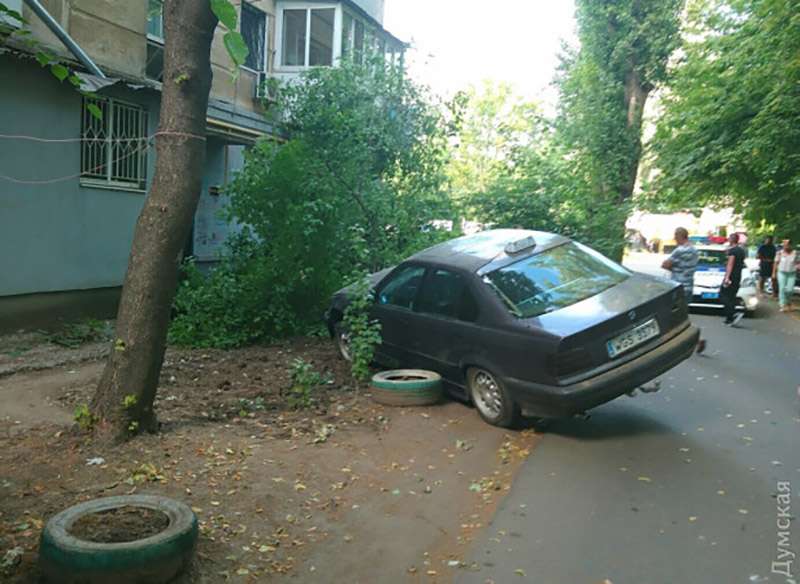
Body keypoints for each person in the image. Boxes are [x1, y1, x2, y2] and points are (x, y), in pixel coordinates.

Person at [662, 227, 706, 353]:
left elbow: (665, 264)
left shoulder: (679, 251)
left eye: (675, 236)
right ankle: (694, 340)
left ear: (679, 236)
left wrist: (675, 269)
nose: (674, 239)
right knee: (683, 314)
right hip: (689, 286)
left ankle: (694, 339)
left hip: (677, 287)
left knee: (671, 315)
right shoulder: (694, 250)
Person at [721, 232, 746, 326]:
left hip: (731, 276)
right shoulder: (741, 250)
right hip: (738, 275)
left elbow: (730, 264)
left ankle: (733, 313)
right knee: (731, 296)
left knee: (723, 294)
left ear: (731, 239)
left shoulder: (733, 251)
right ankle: (729, 318)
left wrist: (727, 277)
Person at [773, 239, 797, 312]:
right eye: (784, 245)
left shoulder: (795, 253)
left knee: (790, 289)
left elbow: (798, 262)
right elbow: (776, 263)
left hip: (792, 273)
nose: (785, 246)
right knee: (782, 288)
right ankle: (782, 305)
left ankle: (788, 302)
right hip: (781, 272)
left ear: (790, 245)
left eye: (787, 245)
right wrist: (773, 273)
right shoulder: (779, 253)